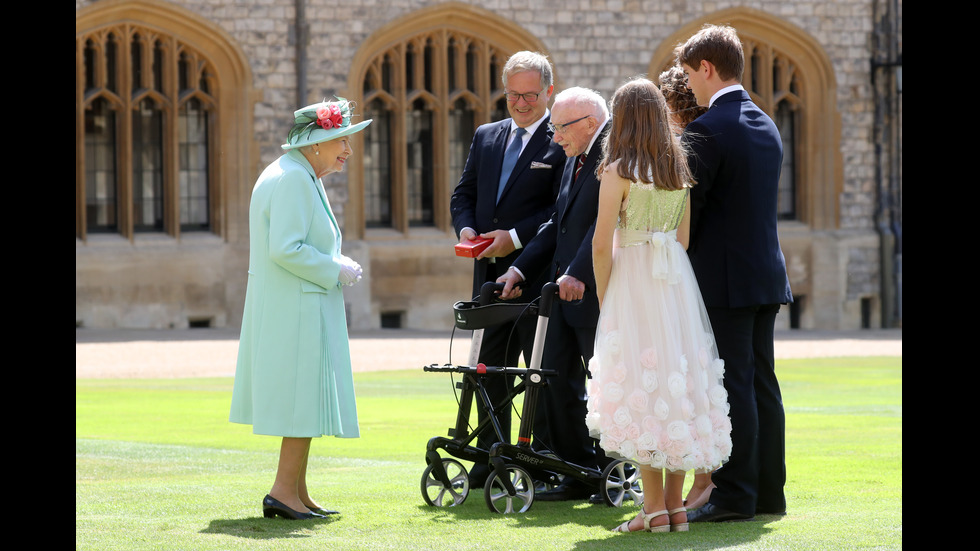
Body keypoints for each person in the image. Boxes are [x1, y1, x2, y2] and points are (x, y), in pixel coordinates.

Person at [589, 77, 732, 533]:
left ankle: (652, 510)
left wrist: (605, 293)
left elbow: (599, 242)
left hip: (633, 278)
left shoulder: (617, 169)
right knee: (678, 381)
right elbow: (684, 240)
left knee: (641, 384)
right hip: (674, 282)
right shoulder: (678, 168)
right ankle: (675, 507)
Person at [229, 98, 372, 520]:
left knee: (305, 399)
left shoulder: (297, 173)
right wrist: (335, 267)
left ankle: (296, 490)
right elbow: (285, 248)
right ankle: (281, 492)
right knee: (300, 401)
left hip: (296, 303)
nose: (347, 150)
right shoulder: (292, 178)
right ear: (316, 143)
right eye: (341, 141)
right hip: (295, 306)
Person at [677, 25, 794, 523]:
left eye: (689, 76)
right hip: (766, 275)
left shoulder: (707, 128)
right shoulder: (766, 122)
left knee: (734, 387)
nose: (689, 88)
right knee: (763, 384)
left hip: (724, 281)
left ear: (707, 68)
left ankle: (736, 496)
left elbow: (692, 212)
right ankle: (769, 494)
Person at [449, 51, 566, 488]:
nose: (520, 103)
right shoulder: (486, 135)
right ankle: (488, 457)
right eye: (513, 95)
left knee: (538, 373)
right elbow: (464, 194)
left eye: (530, 95)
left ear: (548, 91)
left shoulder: (564, 138)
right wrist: (466, 230)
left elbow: (561, 210)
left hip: (536, 278)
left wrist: (513, 238)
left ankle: (542, 460)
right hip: (486, 278)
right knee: (486, 370)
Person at [496, 87, 610, 501]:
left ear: (590, 124)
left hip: (596, 290)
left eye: (561, 128)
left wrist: (579, 272)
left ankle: (613, 470)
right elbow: (556, 225)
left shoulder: (612, 156)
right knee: (552, 379)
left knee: (605, 383)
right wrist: (518, 267)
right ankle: (577, 470)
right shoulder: (574, 157)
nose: (554, 136)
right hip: (560, 290)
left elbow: (606, 225)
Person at [658, 63, 713, 510]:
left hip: (686, 278)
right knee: (692, 380)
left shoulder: (688, 148)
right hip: (682, 274)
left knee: (689, 382)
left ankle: (701, 482)